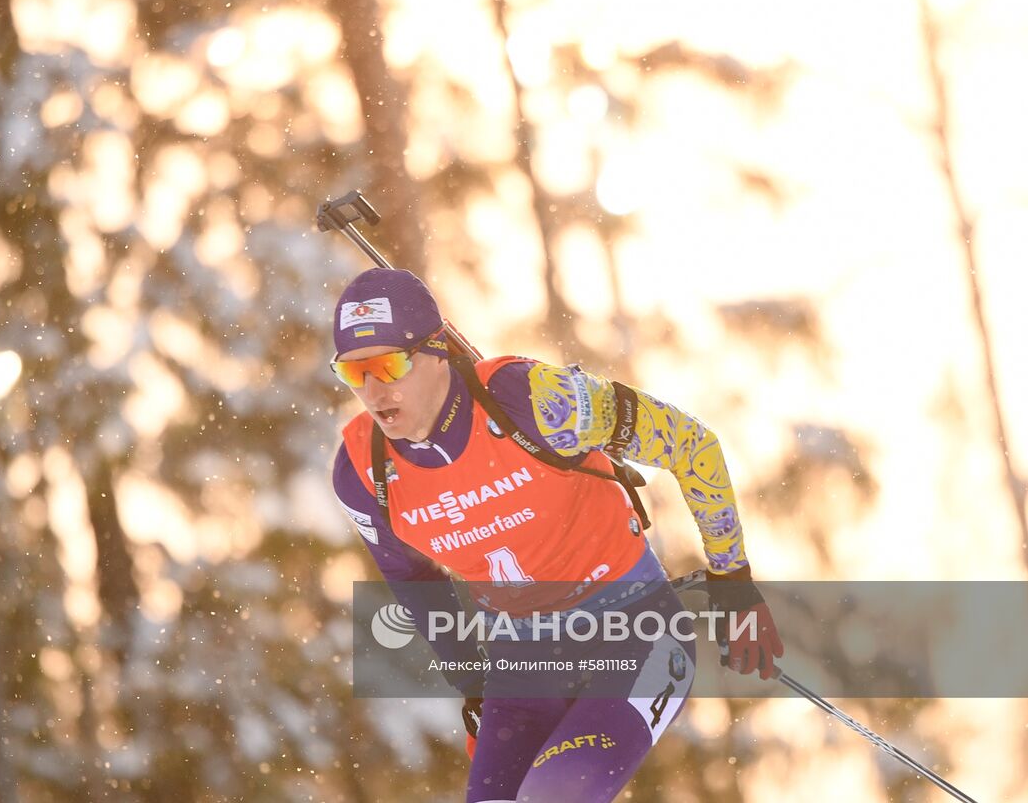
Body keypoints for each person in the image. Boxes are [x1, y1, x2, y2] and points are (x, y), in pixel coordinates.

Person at [329, 268, 784, 803]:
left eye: (388, 365)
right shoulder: (362, 472)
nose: (373, 391)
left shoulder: (534, 400)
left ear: (437, 351)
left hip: (636, 633)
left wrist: (732, 579)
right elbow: (410, 576)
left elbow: (690, 443)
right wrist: (471, 682)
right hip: (522, 668)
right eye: (354, 372)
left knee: (556, 794)